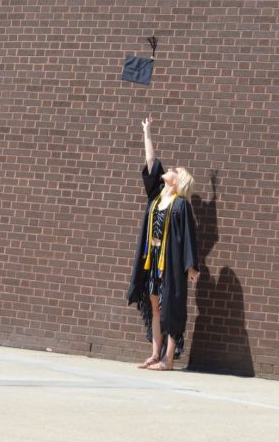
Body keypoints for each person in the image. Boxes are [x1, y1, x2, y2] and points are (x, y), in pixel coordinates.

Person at [127, 115, 200, 371]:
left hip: (170, 262)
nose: (169, 170)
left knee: (171, 307)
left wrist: (191, 266)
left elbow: (190, 237)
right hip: (152, 257)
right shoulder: (157, 196)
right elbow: (150, 162)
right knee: (155, 304)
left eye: (174, 171)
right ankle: (155, 354)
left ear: (179, 182)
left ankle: (169, 359)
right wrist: (147, 133)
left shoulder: (181, 206)